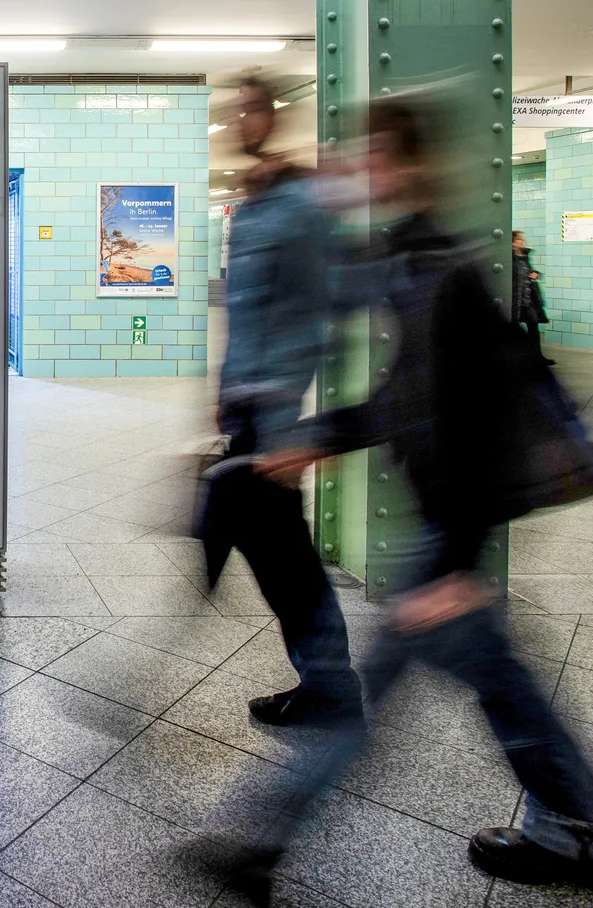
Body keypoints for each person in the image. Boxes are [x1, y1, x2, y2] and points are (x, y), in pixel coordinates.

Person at [228, 101, 593, 896]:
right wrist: (316, 436)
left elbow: (476, 416)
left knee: (372, 689)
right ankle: (582, 829)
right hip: (449, 525)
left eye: (366, 157)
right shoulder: (408, 256)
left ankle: (260, 845)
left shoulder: (442, 268)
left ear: (406, 164)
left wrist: (454, 556)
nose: (351, 172)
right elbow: (402, 397)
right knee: (494, 671)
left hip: (450, 525)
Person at [211, 77, 360, 727]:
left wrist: (299, 424)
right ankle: (327, 680)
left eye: (254, 107)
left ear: (276, 114)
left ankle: (330, 684)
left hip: (274, 410)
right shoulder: (254, 206)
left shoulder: (301, 207)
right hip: (247, 403)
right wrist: (224, 392)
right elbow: (245, 314)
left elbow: (324, 313)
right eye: (238, 109)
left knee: (285, 556)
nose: (244, 119)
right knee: (271, 549)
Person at [510, 231, 554, 365]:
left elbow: (528, 273)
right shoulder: (509, 259)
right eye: (519, 240)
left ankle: (537, 358)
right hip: (514, 301)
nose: (522, 242)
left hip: (527, 301)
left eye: (523, 240)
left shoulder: (524, 257)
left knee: (534, 328)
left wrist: (536, 274)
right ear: (512, 242)